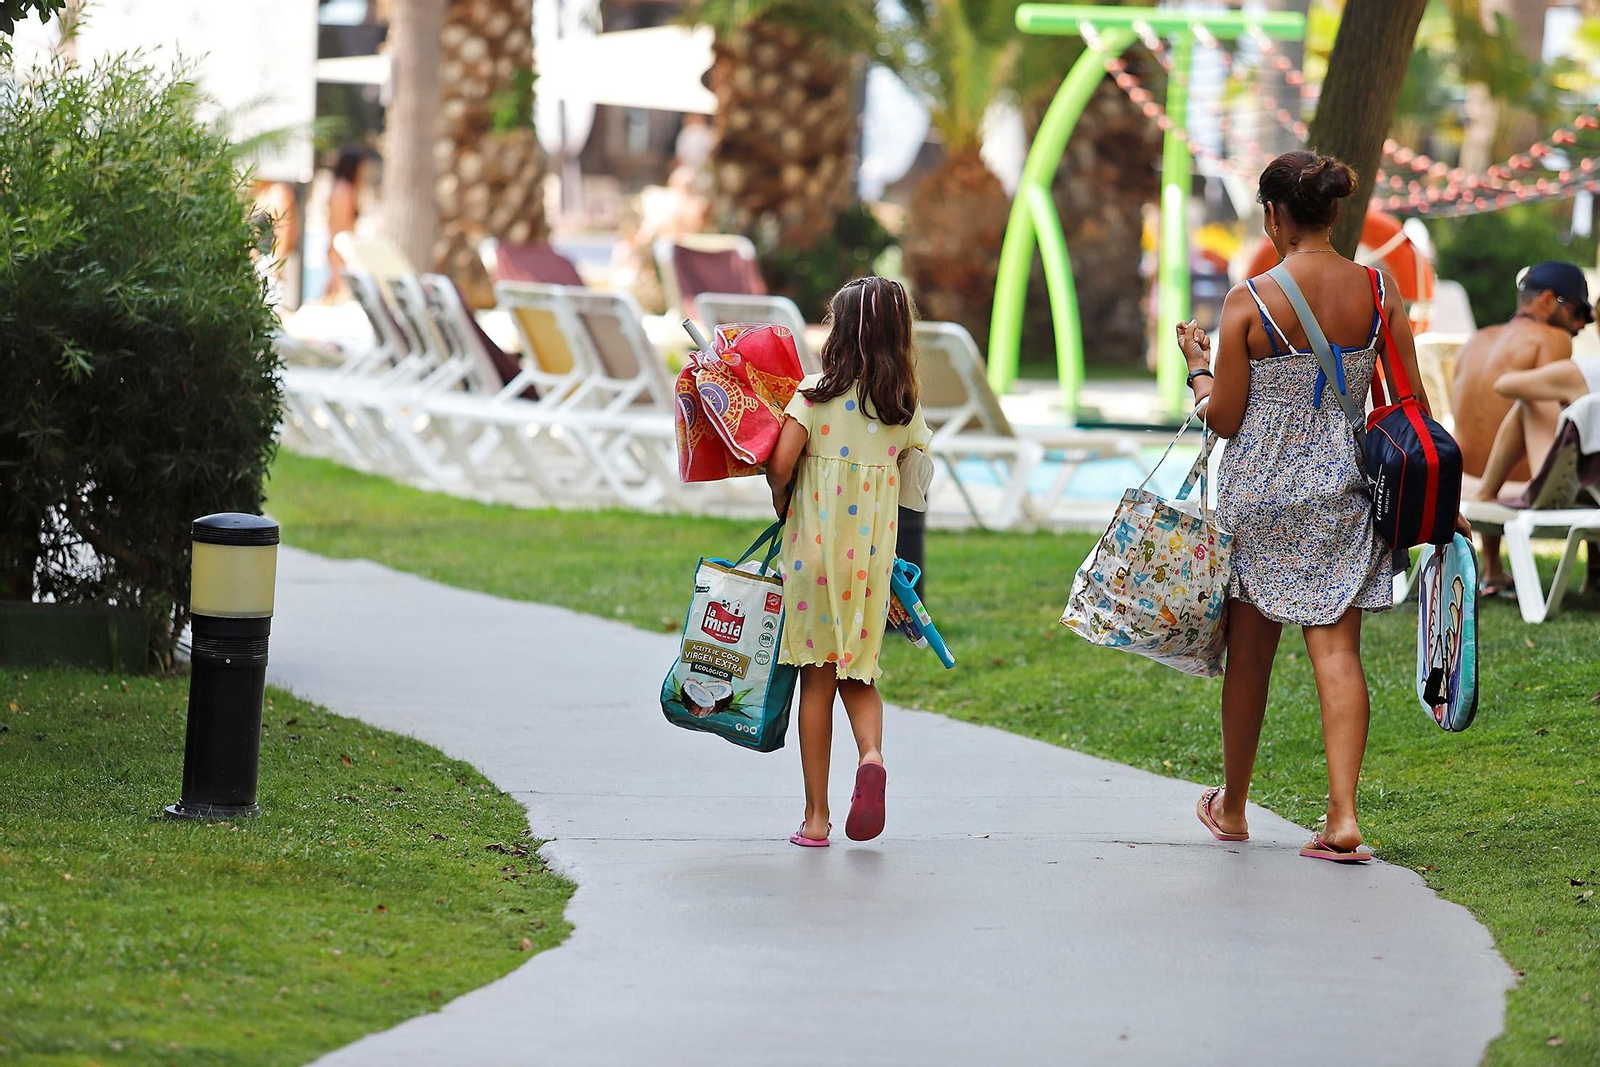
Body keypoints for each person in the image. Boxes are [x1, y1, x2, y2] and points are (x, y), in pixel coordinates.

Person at [1177, 150, 1455, 863]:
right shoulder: (1379, 289)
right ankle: (1343, 817)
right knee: (1337, 655)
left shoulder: (1250, 299)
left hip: (1259, 495)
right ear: (1332, 213)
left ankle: (1233, 807)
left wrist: (1198, 369)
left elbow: (1227, 418)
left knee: (1250, 659)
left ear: (1274, 215)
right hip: (1341, 489)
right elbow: (1409, 401)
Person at [764, 277, 932, 848]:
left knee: (816, 682)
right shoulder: (902, 411)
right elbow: (914, 485)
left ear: (841, 333)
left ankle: (815, 819)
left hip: (811, 559)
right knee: (857, 673)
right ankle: (873, 754)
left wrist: (782, 502)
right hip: (869, 564)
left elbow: (781, 465)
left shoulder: (810, 396)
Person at [1451, 261, 1593, 594]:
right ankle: (1597, 570)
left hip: (1469, 480)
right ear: (1546, 300)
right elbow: (1557, 423)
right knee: (1582, 428)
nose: (1579, 326)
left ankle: (1492, 566)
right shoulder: (1553, 338)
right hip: (1524, 486)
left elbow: (1469, 423)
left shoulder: (1475, 341)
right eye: (1576, 312)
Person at [1471, 352, 1600, 591]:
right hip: (1593, 490)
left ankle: (1484, 493)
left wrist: (1557, 390)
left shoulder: (1587, 371)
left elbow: (1504, 384)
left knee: (1530, 399)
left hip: (1574, 487)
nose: (1582, 324)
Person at [323, 149, 368, 300]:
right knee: (338, 290)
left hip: (340, 246)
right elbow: (340, 224)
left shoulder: (342, 188)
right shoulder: (344, 190)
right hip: (341, 247)